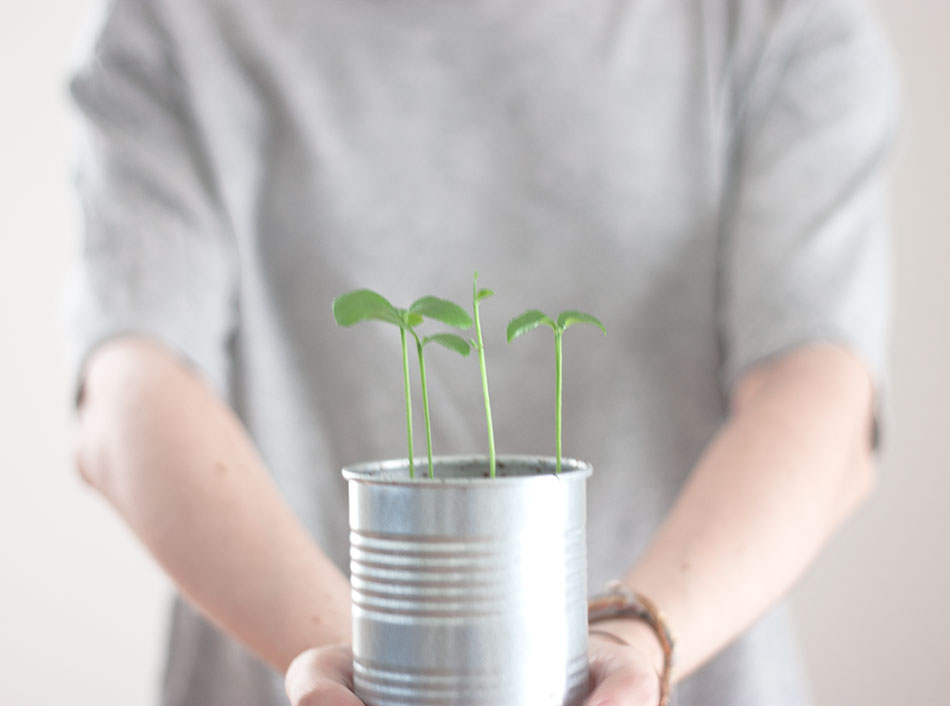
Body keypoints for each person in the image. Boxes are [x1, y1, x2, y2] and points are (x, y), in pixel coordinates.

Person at [67, 0, 897, 705]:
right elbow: (132, 384)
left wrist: (634, 633)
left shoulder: (776, 18)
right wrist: (371, 664)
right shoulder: (179, 20)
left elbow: (819, 387)